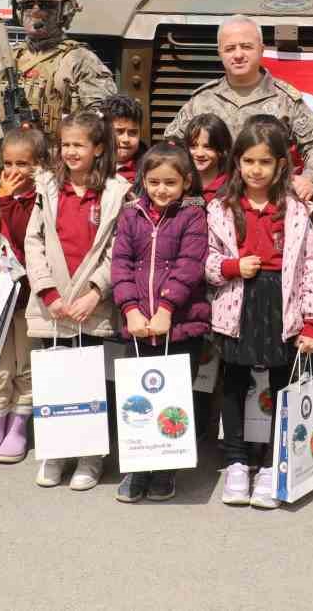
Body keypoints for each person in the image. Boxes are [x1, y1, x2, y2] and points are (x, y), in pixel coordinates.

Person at [207, 117, 313, 510]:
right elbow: (203, 259)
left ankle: (275, 463)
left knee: (279, 384)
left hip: (281, 305)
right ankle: (237, 460)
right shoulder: (220, 209)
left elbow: (312, 266)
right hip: (236, 302)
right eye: (248, 161)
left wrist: (312, 322)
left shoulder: (294, 211)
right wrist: (229, 267)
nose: (255, 170)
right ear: (237, 163)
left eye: (264, 162)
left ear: (280, 165)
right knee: (236, 380)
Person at [24, 111, 133, 492]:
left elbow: (119, 248)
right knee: (55, 378)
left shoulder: (117, 192)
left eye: (79, 145)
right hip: (52, 303)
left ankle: (90, 455)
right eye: (65, 144)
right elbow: (33, 242)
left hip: (91, 304)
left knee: (89, 380)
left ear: (98, 148)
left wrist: (96, 292)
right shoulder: (48, 187)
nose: (70, 151)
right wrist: (47, 293)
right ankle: (55, 450)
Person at [110, 142, 210, 503]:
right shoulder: (131, 215)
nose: (161, 190)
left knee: (171, 400)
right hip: (138, 325)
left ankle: (165, 469)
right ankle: (138, 468)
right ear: (143, 181)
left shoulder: (194, 216)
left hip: (179, 325)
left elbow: (190, 265)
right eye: (153, 182)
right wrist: (131, 309)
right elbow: (120, 264)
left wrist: (166, 308)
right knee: (138, 399)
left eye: (170, 182)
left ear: (185, 181)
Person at [164, 16, 313, 203]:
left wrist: (310, 179)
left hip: (268, 206)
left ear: (261, 49)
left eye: (246, 47)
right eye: (230, 48)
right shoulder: (201, 100)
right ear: (220, 52)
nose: (238, 55)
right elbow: (171, 146)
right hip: (208, 207)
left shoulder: (285, 100)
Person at [0, 0, 116, 148]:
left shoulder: (80, 61)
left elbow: (103, 120)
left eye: (46, 6)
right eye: (27, 6)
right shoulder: (4, 57)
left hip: (55, 161)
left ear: (65, 11)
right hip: (5, 161)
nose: (35, 11)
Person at [0, 126, 48, 467]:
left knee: (27, 364)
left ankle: (19, 426)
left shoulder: (42, 198)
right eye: (9, 163)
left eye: (24, 164)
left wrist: (6, 200)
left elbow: (20, 234)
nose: (15, 172)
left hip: (31, 296)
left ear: (40, 165)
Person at [183, 113, 232, 204]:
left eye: (208, 146)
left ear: (222, 149)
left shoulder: (232, 185)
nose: (199, 153)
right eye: (193, 146)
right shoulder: (180, 181)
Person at [99, 93, 145, 185]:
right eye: (119, 132)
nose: (126, 139)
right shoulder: (88, 165)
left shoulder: (147, 169)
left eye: (133, 132)